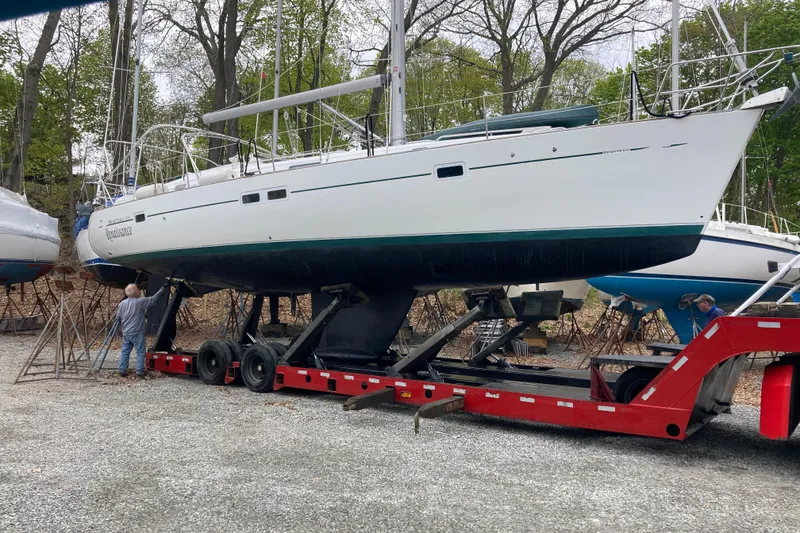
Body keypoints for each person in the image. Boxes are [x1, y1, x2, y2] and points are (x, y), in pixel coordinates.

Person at [117, 283, 168, 378]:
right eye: (138, 289)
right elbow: (154, 299)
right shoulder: (140, 302)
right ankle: (139, 371)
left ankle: (122, 370)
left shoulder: (121, 304)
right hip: (137, 332)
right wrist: (164, 287)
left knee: (125, 351)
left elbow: (118, 318)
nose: (139, 291)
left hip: (126, 333)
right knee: (140, 352)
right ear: (135, 292)